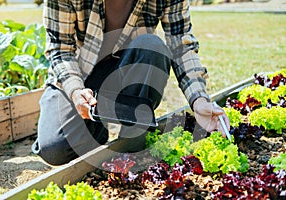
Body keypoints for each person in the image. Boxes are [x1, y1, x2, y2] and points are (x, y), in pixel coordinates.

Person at [32, 0, 230, 166]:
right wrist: (75, 91)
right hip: (78, 73)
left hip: (128, 67)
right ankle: (96, 125)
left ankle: (133, 135)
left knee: (153, 47)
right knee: (55, 150)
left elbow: (181, 47)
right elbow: (61, 50)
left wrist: (199, 100)